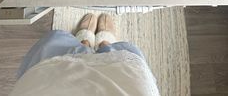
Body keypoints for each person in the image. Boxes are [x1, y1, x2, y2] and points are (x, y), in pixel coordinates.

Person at [10, 13, 160, 96]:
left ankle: (84, 42)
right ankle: (104, 43)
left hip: (52, 83)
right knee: (124, 56)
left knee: (53, 43)